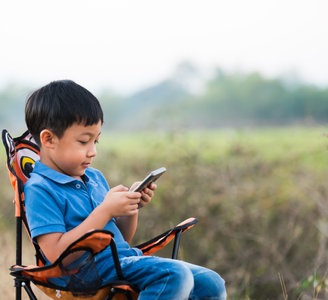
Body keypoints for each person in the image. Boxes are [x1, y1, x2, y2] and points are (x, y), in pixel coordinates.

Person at [24, 79, 227, 299]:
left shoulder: (93, 177)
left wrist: (130, 209)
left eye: (96, 142)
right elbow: (56, 255)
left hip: (122, 260)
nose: (93, 152)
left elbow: (121, 239)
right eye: (84, 142)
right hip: (83, 275)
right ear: (49, 139)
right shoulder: (40, 189)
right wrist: (105, 211)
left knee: (210, 282)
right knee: (173, 275)